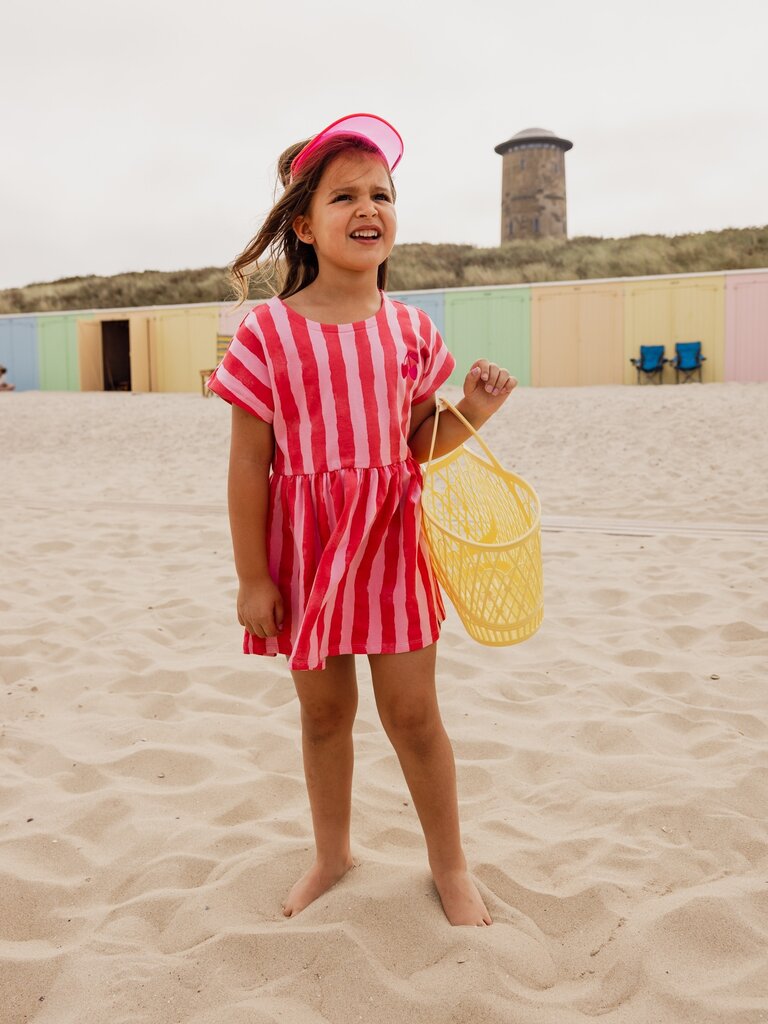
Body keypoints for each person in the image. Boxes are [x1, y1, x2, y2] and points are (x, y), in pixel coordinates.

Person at [207, 114, 517, 927]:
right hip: (306, 550)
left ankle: (450, 865)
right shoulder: (267, 333)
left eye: (381, 193)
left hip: (390, 544)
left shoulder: (410, 329)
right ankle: (332, 854)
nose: (367, 207)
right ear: (305, 224)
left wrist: (473, 410)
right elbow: (247, 464)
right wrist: (252, 577)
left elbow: (420, 444)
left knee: (414, 715)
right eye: (344, 196)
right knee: (323, 715)